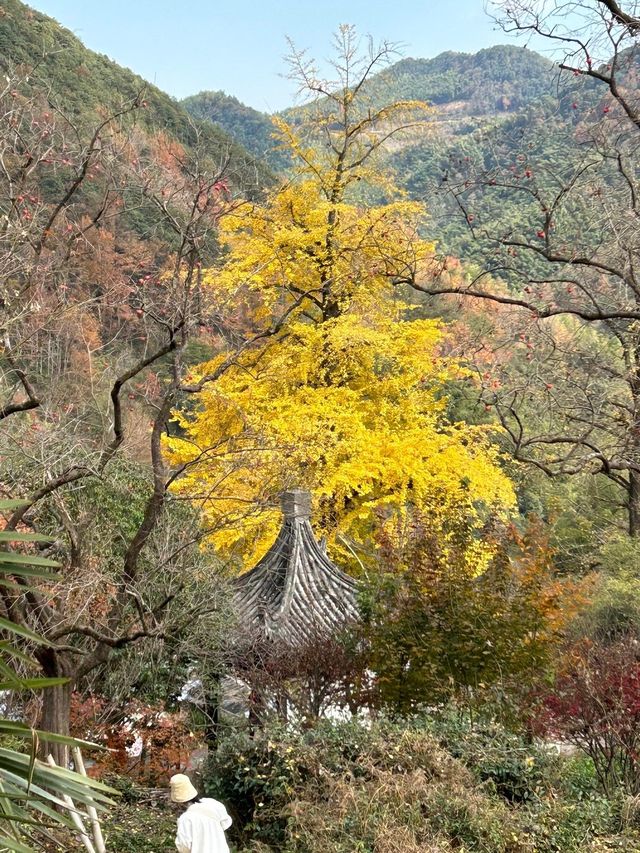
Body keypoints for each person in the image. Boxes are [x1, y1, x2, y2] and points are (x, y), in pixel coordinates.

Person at [169, 773, 232, 853]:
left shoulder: (186, 819)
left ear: (179, 802)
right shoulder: (213, 804)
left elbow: (184, 847)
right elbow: (226, 823)